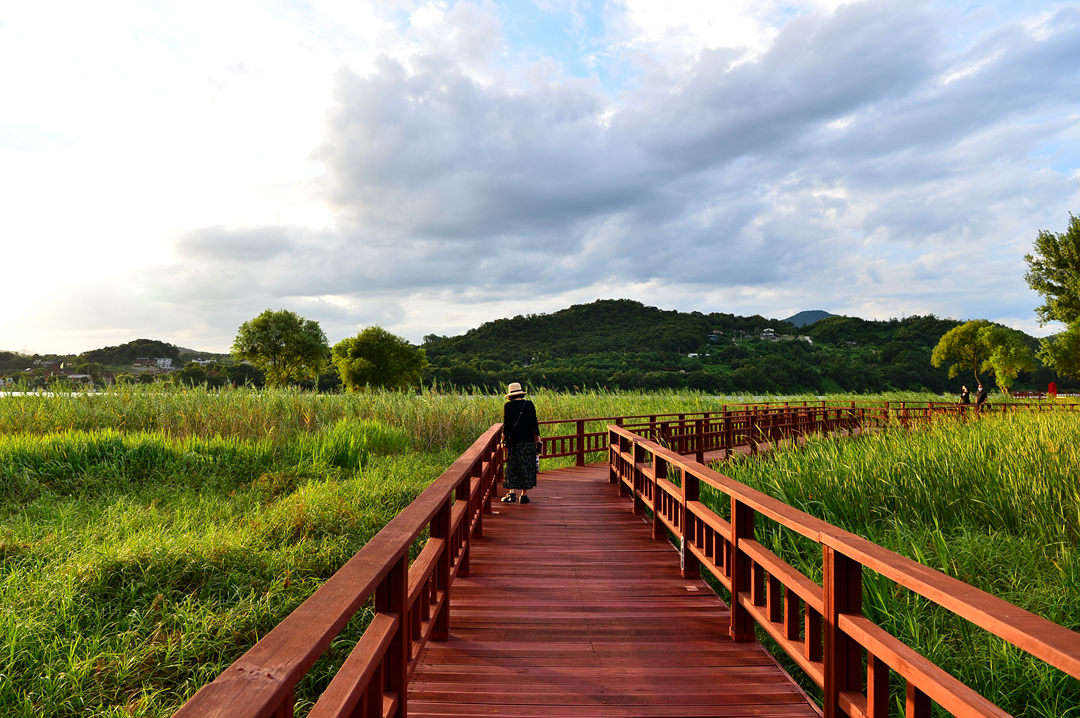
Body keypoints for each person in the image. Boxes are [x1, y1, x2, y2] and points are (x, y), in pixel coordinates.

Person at [501, 382, 540, 504]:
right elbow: (534, 423)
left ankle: (511, 493)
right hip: (528, 441)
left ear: (510, 395)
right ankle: (524, 495)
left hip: (514, 442)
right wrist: (538, 439)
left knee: (512, 466)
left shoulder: (508, 406)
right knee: (527, 467)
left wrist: (502, 440)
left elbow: (506, 425)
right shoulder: (529, 404)